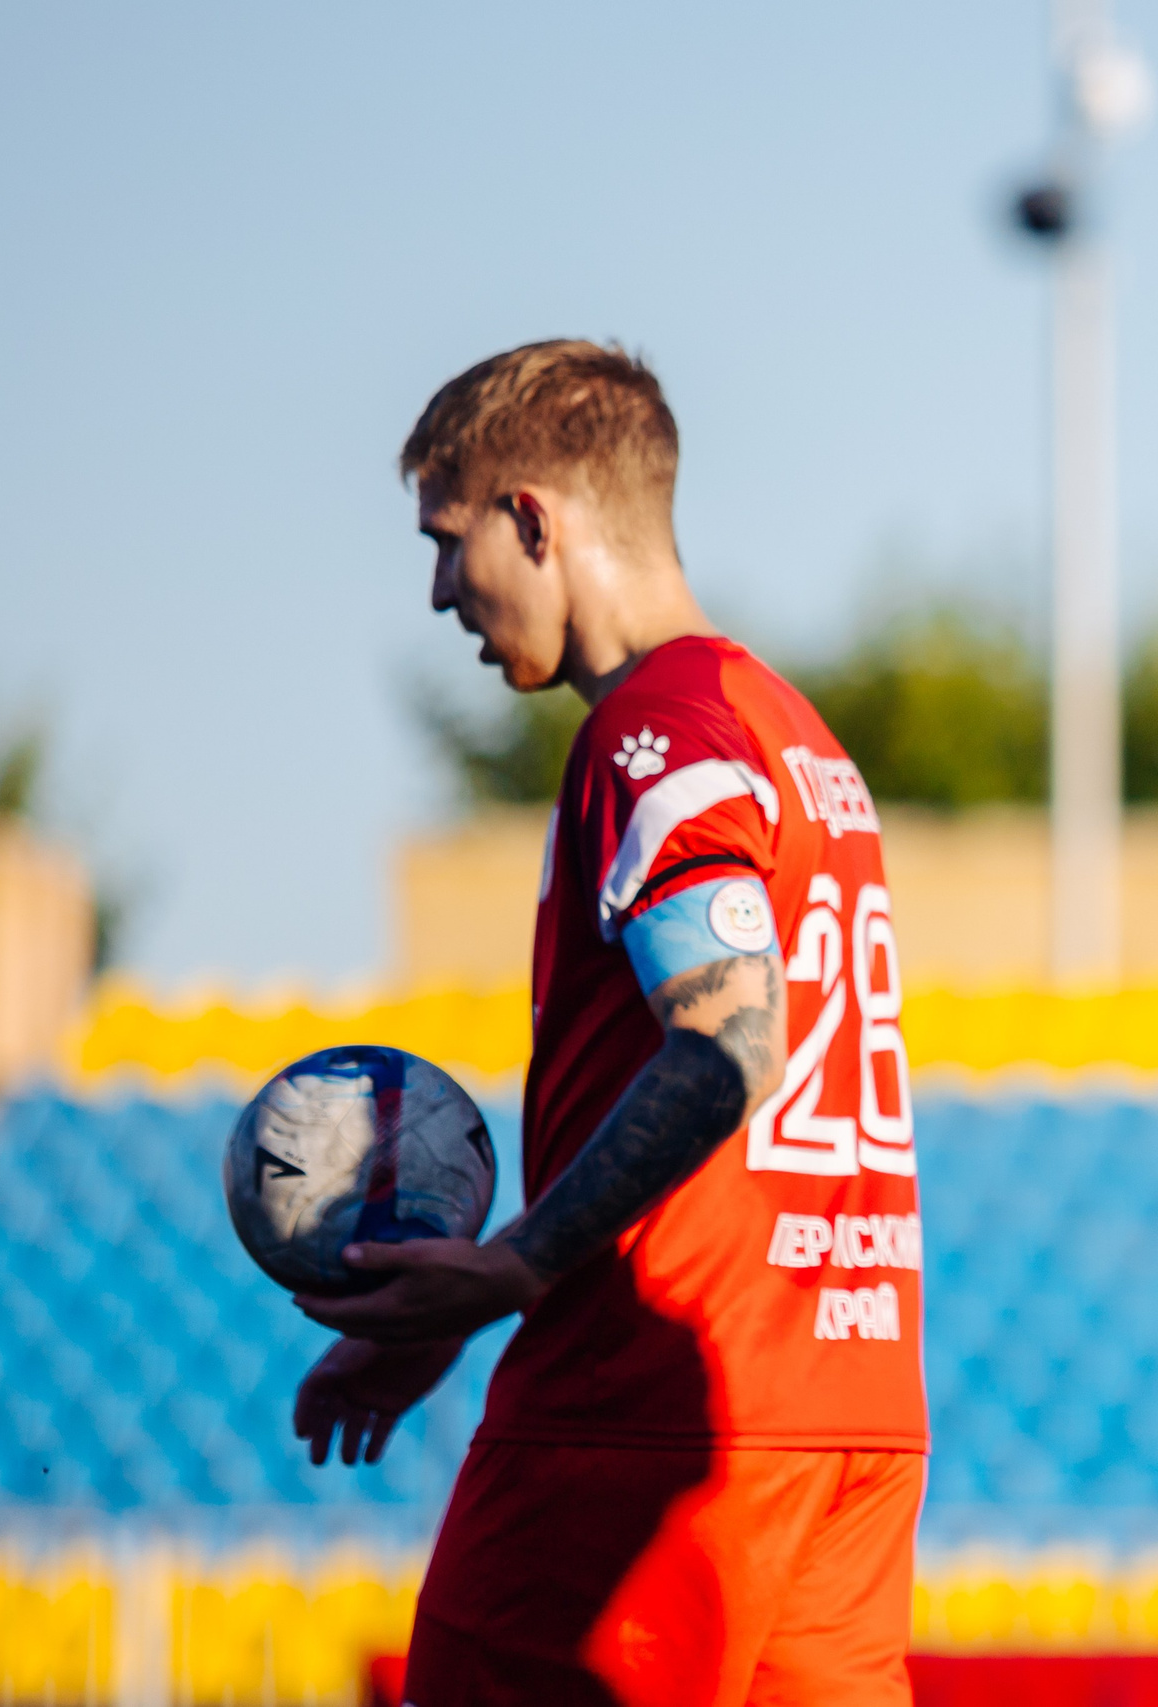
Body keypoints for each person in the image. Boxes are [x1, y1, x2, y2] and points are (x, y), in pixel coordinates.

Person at [291, 341, 927, 1706]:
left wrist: (516, 1268)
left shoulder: (658, 733)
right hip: (848, 1406)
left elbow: (729, 1045)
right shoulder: (791, 730)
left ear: (534, 516)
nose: (439, 592)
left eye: (449, 541)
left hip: (647, 1409)